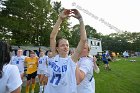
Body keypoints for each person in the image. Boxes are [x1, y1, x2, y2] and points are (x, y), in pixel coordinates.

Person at [44, 9, 87, 93]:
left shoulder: (71, 60)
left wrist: (80, 19)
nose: (65, 47)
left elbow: (83, 39)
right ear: (57, 48)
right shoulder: (53, 56)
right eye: (62, 45)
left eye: (67, 45)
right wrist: (60, 19)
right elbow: (52, 37)